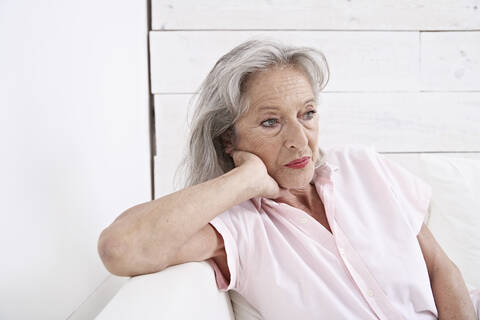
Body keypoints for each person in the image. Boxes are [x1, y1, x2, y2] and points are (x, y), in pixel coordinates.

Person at [97, 38, 479, 319]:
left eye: (307, 114)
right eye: (271, 122)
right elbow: (120, 248)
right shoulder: (238, 229)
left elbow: (440, 269)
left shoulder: (365, 168)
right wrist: (246, 179)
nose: (300, 141)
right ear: (228, 137)